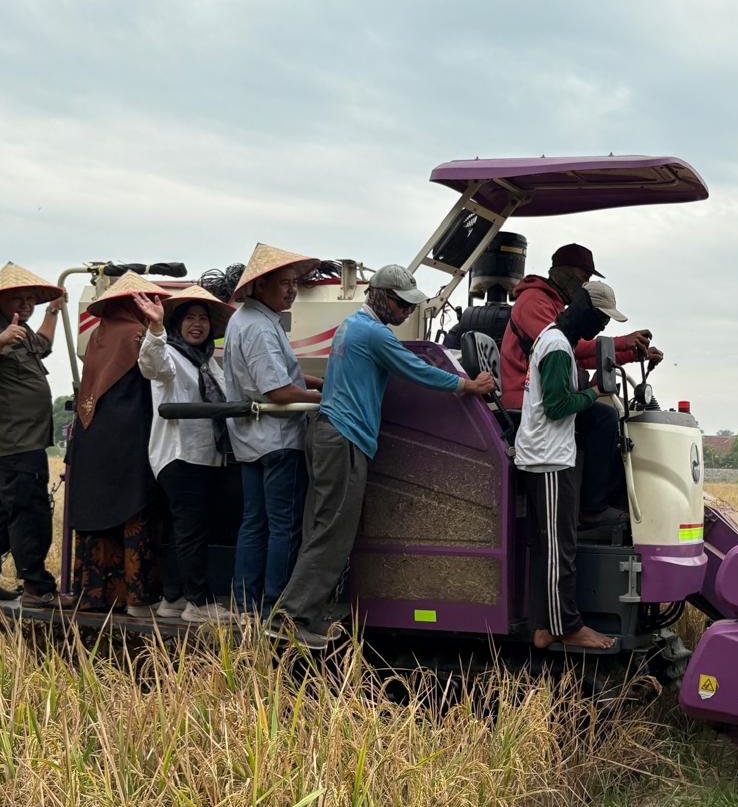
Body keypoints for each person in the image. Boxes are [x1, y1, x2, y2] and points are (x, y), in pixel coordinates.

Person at [270, 264, 496, 648]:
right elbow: (415, 369)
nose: (407, 311)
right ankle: (290, 619)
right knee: (332, 535)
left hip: (330, 435)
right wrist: (467, 385)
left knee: (320, 530)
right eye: (401, 303)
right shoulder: (372, 333)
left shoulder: (352, 326)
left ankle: (300, 614)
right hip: (343, 439)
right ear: (379, 296)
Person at [499, 243, 661, 524]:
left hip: (544, 392)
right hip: (527, 397)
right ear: (563, 272)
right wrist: (621, 342)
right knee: (603, 417)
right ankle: (592, 507)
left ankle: (606, 498)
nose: (586, 281)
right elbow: (563, 349)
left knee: (610, 418)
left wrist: (630, 354)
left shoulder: (555, 305)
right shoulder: (534, 302)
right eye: (583, 274)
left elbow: (577, 351)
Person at [514, 281, 628, 650]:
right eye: (600, 318)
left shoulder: (552, 339)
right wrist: (595, 392)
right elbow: (557, 406)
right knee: (558, 548)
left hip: (550, 453)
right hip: (548, 457)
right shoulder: (558, 348)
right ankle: (566, 627)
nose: (602, 328)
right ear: (582, 308)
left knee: (554, 544)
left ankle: (544, 627)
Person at [224, 243, 324, 621]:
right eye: (284, 283)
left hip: (252, 440)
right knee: (283, 524)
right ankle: (274, 605)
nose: (292, 290)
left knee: (255, 522)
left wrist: (318, 381)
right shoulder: (260, 329)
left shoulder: (247, 320)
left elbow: (287, 374)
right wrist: (321, 397)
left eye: (295, 283)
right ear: (260, 285)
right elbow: (278, 391)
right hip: (278, 440)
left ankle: (246, 602)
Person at [0, 262, 71, 607]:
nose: (26, 305)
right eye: (19, 299)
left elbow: (43, 344)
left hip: (24, 439)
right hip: (13, 442)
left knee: (6, 508)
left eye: (31, 300)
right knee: (29, 510)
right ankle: (37, 587)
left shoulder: (20, 329)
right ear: (0, 301)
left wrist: (52, 312)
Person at [67, 271, 171, 616]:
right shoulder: (137, 334)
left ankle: (96, 594)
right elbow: (158, 375)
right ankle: (137, 597)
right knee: (134, 510)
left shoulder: (99, 335)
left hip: (92, 440)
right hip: (127, 440)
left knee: (98, 517)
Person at [134, 285, 236, 624]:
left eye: (203, 319)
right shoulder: (171, 357)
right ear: (177, 324)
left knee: (185, 529)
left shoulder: (207, 362)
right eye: (190, 318)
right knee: (192, 529)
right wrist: (156, 328)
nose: (197, 324)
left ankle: (173, 598)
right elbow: (151, 364)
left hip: (204, 455)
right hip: (180, 456)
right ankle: (199, 602)